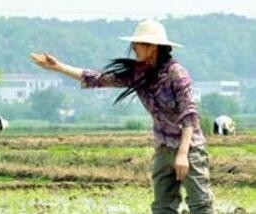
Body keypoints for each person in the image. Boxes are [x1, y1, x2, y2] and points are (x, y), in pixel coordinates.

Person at [31, 20, 213, 213]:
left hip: (189, 149)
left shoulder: (177, 74)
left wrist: (183, 154)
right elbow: (98, 79)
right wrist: (58, 67)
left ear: (152, 47)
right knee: (162, 206)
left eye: (138, 43)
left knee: (200, 205)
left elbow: (189, 115)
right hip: (164, 147)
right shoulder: (139, 74)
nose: (133, 47)